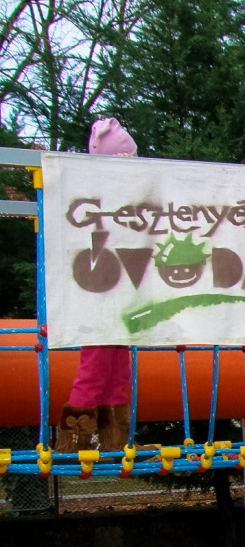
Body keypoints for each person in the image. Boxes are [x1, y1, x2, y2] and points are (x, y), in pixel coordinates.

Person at [55, 118, 139, 455]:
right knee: (94, 366)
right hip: (97, 292)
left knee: (119, 368)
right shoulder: (93, 192)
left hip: (119, 292)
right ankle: (72, 440)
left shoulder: (126, 196)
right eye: (126, 160)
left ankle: (114, 440)